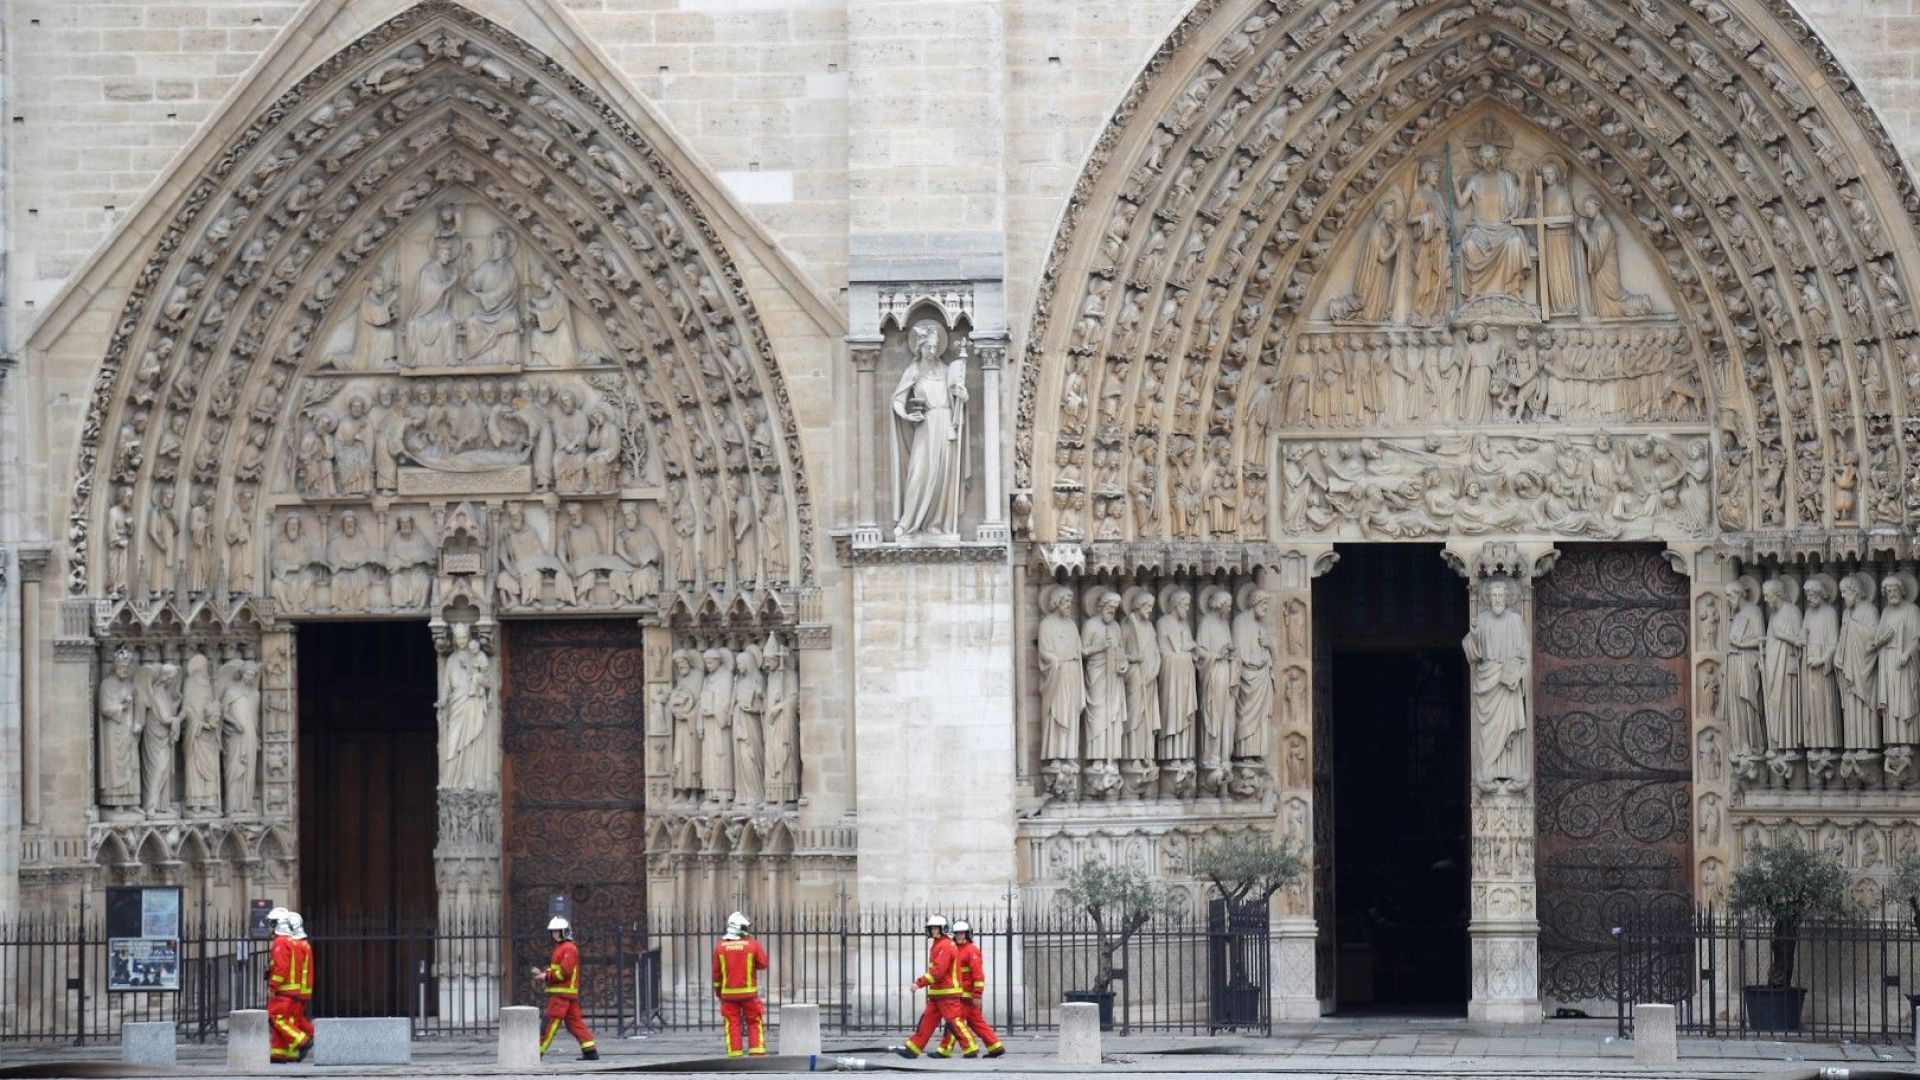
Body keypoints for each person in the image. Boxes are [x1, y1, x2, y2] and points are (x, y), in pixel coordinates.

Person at [894, 914, 978, 1059]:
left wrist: (919, 983)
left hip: (947, 993)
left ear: (942, 929)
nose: (933, 930)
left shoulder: (945, 945)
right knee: (926, 1021)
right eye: (931, 928)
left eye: (935, 928)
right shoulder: (939, 944)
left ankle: (970, 1047)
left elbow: (938, 971)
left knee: (954, 1022)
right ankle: (913, 1049)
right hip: (938, 993)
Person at [531, 916, 598, 1060]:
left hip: (561, 995)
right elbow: (560, 971)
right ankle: (590, 1051)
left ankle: (536, 1053)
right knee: (575, 1023)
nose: (554, 934)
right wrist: (546, 974)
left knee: (549, 1024)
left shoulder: (568, 948)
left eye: (557, 931)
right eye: (553, 931)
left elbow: (564, 973)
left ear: (564, 932)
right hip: (566, 995)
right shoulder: (562, 948)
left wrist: (546, 976)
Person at [935, 921, 1005, 1058]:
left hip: (966, 995)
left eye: (962, 933)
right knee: (976, 1022)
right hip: (959, 993)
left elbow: (978, 975)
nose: (960, 936)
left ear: (967, 934)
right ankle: (995, 1047)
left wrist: (977, 995)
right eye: (957, 934)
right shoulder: (954, 948)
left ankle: (945, 1050)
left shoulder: (971, 950)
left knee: (954, 1022)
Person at [710, 911, 770, 1058]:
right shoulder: (752, 945)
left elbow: (716, 975)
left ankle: (735, 1055)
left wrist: (719, 993)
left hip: (728, 995)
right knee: (754, 1022)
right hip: (749, 994)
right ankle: (757, 1054)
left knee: (732, 1024)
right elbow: (763, 964)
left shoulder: (720, 947)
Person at [265, 907, 313, 1063]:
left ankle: (302, 1040)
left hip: (284, 990)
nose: (270, 927)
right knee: (290, 1020)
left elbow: (281, 967)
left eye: (272, 923)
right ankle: (281, 1054)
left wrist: (273, 986)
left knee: (277, 1019)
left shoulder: (281, 942)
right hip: (295, 990)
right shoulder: (295, 943)